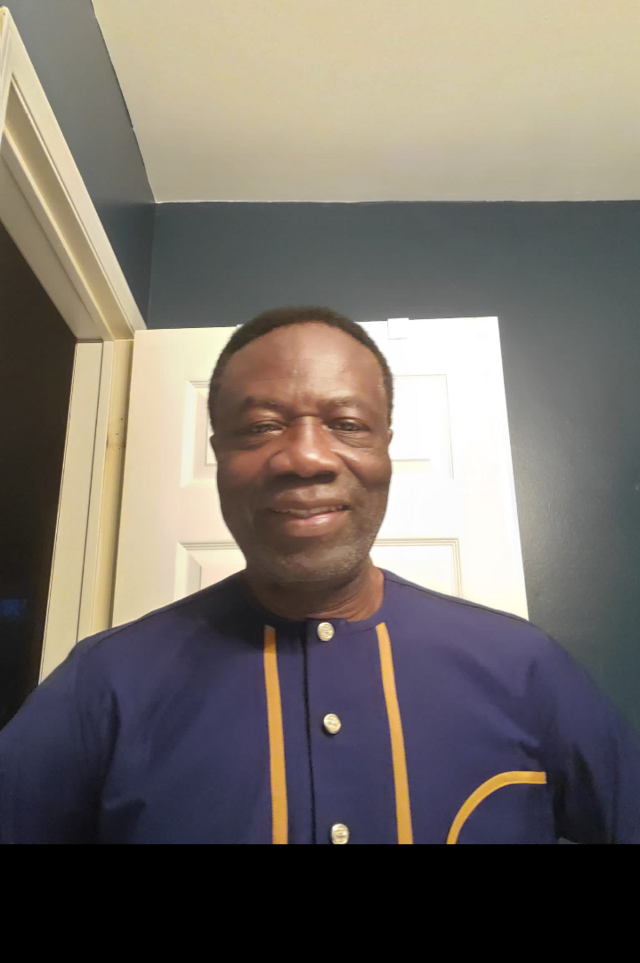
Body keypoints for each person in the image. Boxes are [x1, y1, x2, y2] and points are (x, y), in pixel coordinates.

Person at [1, 303, 639, 844]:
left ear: (385, 450)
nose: (306, 457)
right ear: (219, 457)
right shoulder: (105, 683)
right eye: (261, 426)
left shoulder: (524, 667)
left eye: (348, 425)